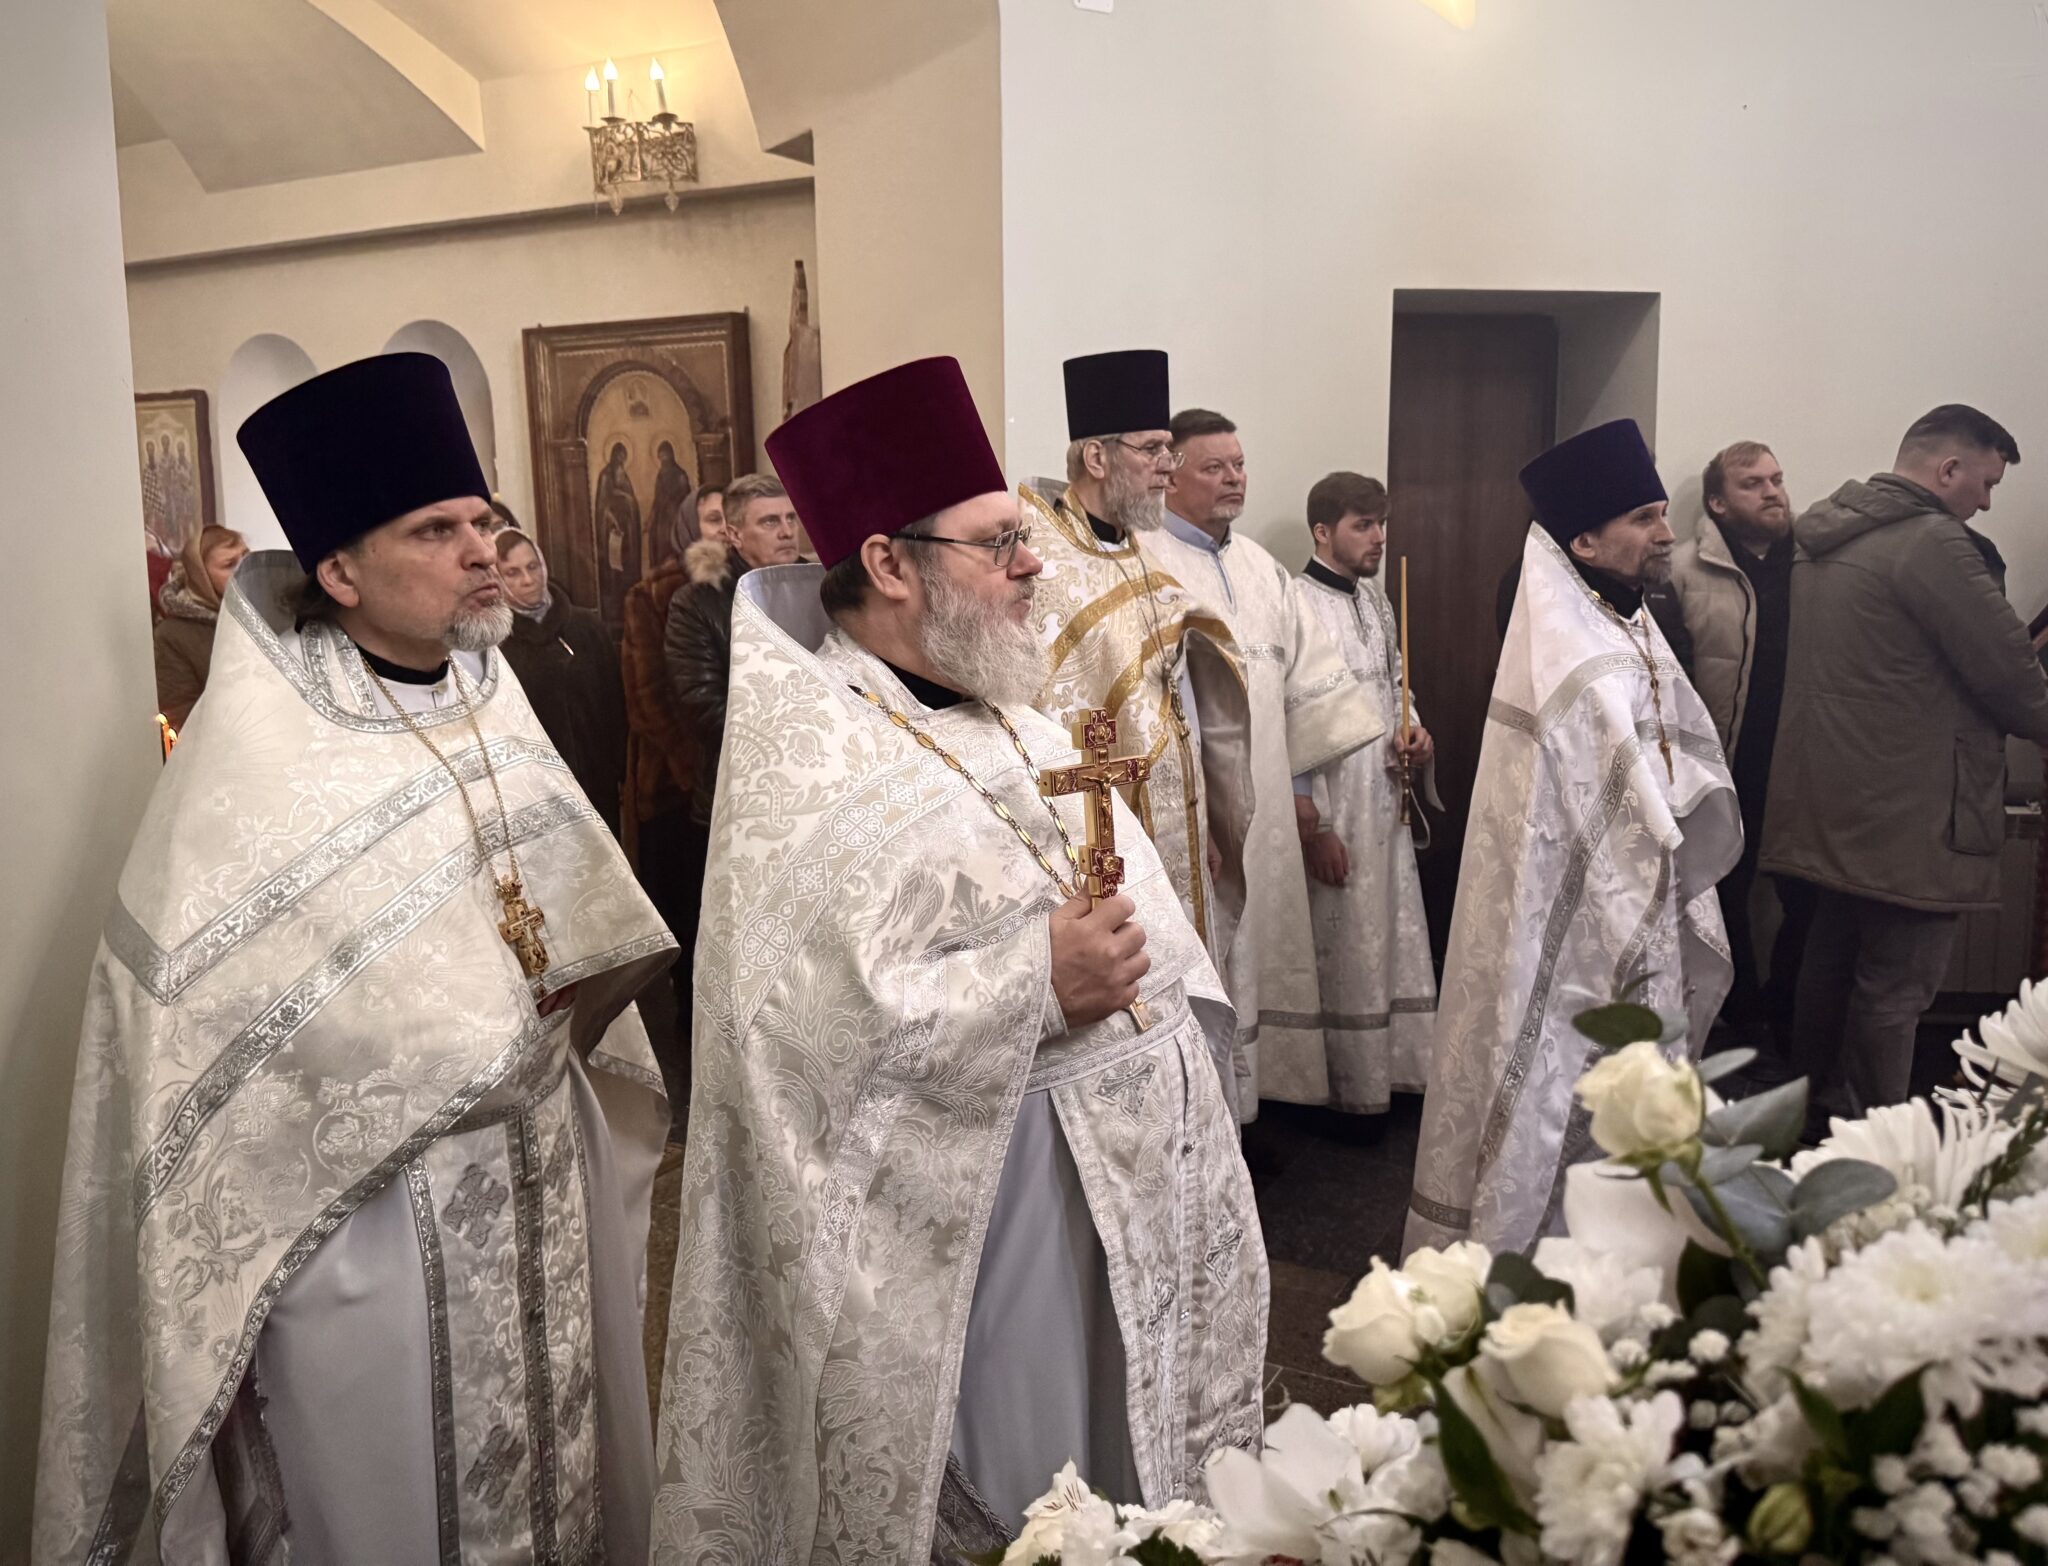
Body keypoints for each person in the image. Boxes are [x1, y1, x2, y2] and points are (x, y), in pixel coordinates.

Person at [33, 353, 675, 1563]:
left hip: (537, 1172)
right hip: (372, 1229)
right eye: (437, 531)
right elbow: (219, 1046)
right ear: (338, 572)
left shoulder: (485, 690)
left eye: (480, 522)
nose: (483, 551)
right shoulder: (254, 764)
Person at [652, 357, 1267, 1562]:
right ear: (890, 563)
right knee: (1032, 1485)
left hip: (1130, 1196)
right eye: (999, 543)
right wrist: (1033, 986)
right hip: (986, 1226)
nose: (1034, 564)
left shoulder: (1011, 712)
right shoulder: (816, 770)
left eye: (1023, 537)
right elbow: (790, 1044)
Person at [1405, 419, 1740, 1256]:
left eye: (1662, 514)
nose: (1666, 533)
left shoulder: (1629, 614)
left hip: (1641, 889)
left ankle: (1632, 1255)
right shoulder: (1563, 639)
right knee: (1559, 1077)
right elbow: (1597, 776)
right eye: (1644, 518)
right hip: (1570, 903)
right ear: (1585, 541)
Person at [1762, 405, 2048, 1121]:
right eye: (1986, 484)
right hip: (1915, 813)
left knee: (1830, 969)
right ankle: (1877, 1147)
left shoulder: (1825, 535)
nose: (1987, 503)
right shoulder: (1934, 543)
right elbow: (2013, 679)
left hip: (1836, 800)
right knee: (1895, 991)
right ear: (1948, 469)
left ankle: (1814, 1123)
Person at [1144, 407, 1382, 1118]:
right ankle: (1213, 1115)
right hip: (1193, 808)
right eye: (1214, 467)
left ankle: (1253, 1108)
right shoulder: (1144, 561)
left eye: (1240, 465)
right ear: (1171, 475)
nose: (1234, 479)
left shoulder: (1261, 569)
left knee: (1264, 948)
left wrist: (1303, 790)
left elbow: (1307, 688)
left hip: (1270, 805)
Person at [1027, 350, 1253, 981]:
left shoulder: (1138, 553)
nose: (1166, 469)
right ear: (1097, 458)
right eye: (1153, 450)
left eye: (1169, 453)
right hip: (1095, 847)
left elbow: (1178, 712)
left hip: (1177, 830)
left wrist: (1201, 825)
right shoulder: (1039, 564)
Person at [1294, 473, 1438, 1112]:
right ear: (1323, 531)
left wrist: (1413, 729)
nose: (1379, 537)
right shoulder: (1296, 603)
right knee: (1345, 939)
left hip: (1384, 797)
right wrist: (1317, 824)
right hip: (1339, 804)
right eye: (1363, 525)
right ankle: (1348, 1088)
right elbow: (1292, 719)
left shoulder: (1377, 602)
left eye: (1381, 524)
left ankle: (1396, 1071)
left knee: (1390, 930)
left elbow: (1395, 682)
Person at [1669, 441, 1815, 1055]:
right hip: (1727, 760)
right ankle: (1744, 1015)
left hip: (1803, 761)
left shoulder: (1815, 564)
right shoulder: (1682, 569)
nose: (1772, 492)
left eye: (1776, 479)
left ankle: (1787, 1011)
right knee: (1724, 886)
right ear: (1718, 503)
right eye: (1752, 483)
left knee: (1807, 895)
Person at [621, 483, 714, 1111]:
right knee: (684, 911)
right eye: (709, 518)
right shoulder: (652, 594)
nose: (719, 529)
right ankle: (685, 1033)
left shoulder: (742, 589)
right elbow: (650, 697)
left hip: (713, 782)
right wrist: (690, 770)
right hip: (672, 786)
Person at [496, 522, 630, 832]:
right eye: (512, 573)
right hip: (536, 793)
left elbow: (615, 704)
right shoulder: (497, 645)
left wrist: (621, 772)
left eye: (532, 567)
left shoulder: (586, 626)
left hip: (597, 782)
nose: (528, 580)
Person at [152, 522, 248, 728]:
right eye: (229, 564)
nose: (244, 570)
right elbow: (180, 714)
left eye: (246, 558)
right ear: (201, 576)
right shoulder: (172, 635)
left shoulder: (265, 612)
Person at [650, 440, 694, 572]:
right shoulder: (660, 474)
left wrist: (672, 504)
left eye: (665, 456)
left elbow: (685, 496)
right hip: (662, 518)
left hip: (674, 515)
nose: (663, 460)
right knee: (660, 545)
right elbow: (657, 497)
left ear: (671, 455)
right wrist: (652, 516)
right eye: (661, 457)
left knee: (674, 545)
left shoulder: (680, 474)